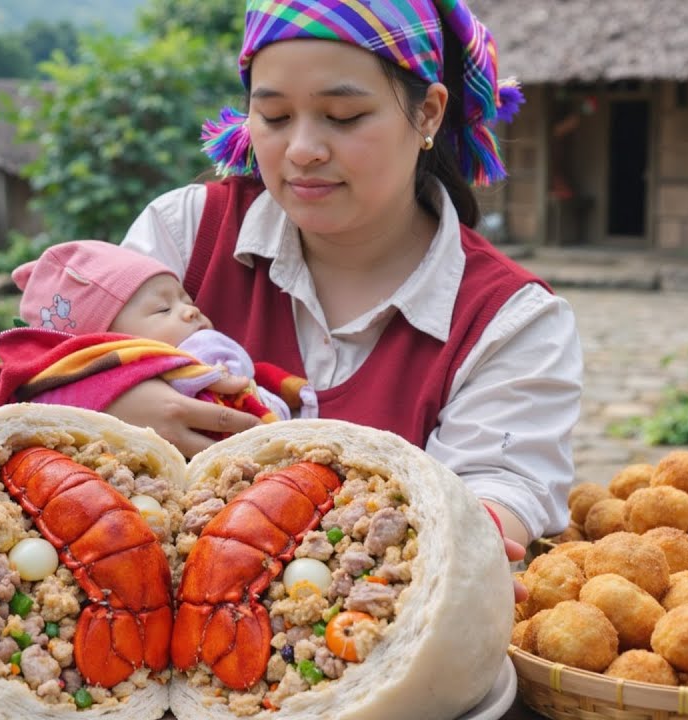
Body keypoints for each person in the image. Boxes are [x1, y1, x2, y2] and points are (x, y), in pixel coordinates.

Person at [106, 0, 585, 579]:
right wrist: (97, 401)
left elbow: (495, 495)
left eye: (344, 116)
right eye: (275, 118)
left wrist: (470, 538)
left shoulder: (509, 320)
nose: (303, 149)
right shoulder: (184, 236)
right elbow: (29, 374)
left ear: (429, 114)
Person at [0, 239, 317, 426]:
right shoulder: (79, 391)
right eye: (164, 309)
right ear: (106, 343)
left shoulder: (211, 362)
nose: (192, 310)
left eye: (187, 299)